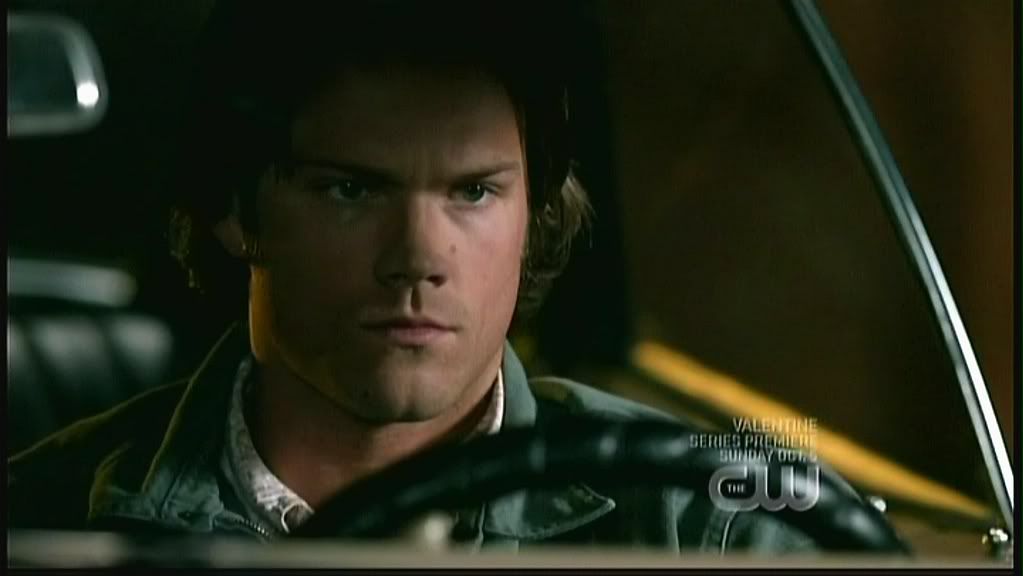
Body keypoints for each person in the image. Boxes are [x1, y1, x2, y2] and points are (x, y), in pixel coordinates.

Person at [8, 0, 825, 553]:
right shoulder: (47, 519)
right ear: (234, 209)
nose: (419, 257)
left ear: (533, 215)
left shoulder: (704, 524)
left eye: (472, 192)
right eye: (351, 190)